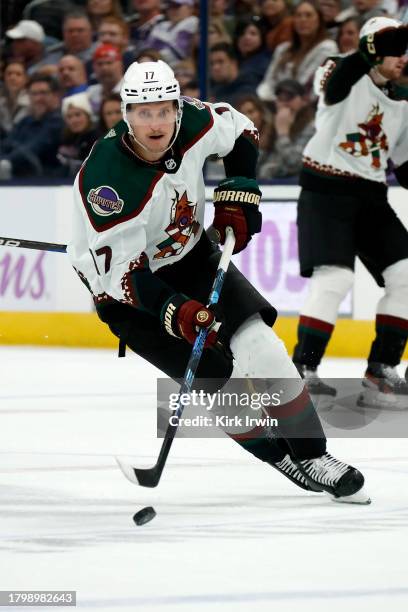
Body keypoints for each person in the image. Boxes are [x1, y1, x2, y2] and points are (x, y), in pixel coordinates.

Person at [67, 58, 369, 504]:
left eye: (164, 109)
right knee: (216, 378)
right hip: (129, 291)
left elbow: (243, 130)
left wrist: (238, 194)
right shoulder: (106, 184)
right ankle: (278, 457)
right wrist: (177, 311)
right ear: (125, 114)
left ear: (177, 105)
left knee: (262, 347)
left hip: (193, 257)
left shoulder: (193, 120)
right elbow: (123, 278)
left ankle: (314, 455)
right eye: (144, 112)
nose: (156, 122)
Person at [293, 17, 408, 408]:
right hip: (325, 193)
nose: (402, 57)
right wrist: (371, 49)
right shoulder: (338, 70)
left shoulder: (403, 100)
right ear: (372, 49)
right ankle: (302, 371)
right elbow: (337, 84)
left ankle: (381, 372)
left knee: (406, 275)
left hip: (371, 198)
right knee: (334, 280)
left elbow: (405, 169)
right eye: (394, 48)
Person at [257, 0, 338, 101]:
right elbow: (268, 83)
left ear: (319, 20)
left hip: (305, 106)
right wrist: (267, 98)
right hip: (273, 102)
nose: (302, 20)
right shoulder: (282, 49)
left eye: (308, 15)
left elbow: (305, 85)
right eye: (298, 15)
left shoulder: (327, 48)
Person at [0, 74, 63, 179]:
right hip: (16, 178)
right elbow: (6, 144)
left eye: (43, 93)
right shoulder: (25, 121)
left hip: (46, 182)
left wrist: (6, 160)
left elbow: (32, 149)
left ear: (55, 96)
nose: (38, 98)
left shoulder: (57, 122)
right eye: (34, 94)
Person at [258, 79, 316, 179]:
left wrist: (283, 134)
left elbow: (295, 163)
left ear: (303, 101)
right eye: (280, 98)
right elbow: (255, 164)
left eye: (290, 97)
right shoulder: (272, 124)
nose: (284, 103)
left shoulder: (312, 128)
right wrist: (266, 137)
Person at [57, 93, 98, 176]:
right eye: (69, 117)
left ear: (88, 116)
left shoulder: (97, 139)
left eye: (78, 115)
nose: (74, 120)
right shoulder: (65, 138)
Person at [0, 61, 30, 136]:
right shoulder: (1, 103)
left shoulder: (32, 102)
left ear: (26, 79)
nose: (12, 78)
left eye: (18, 74)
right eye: (9, 74)